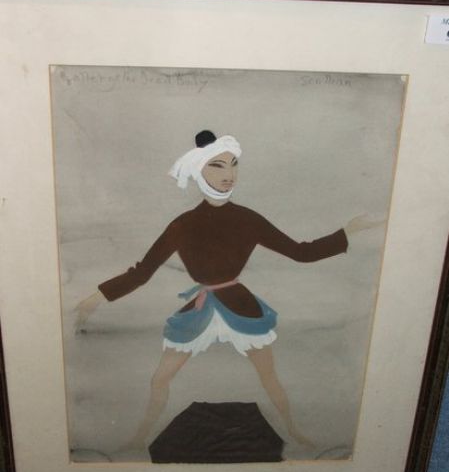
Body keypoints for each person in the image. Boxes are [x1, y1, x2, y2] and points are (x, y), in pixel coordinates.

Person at [76, 130, 374, 451]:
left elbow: (301, 252)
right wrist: (95, 298)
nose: (229, 174)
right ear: (198, 171)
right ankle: (137, 441)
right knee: (160, 379)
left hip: (240, 307)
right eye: (217, 166)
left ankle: (294, 433)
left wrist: (347, 233)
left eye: (233, 165)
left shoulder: (248, 219)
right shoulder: (182, 225)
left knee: (269, 377)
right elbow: (142, 272)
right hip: (200, 309)